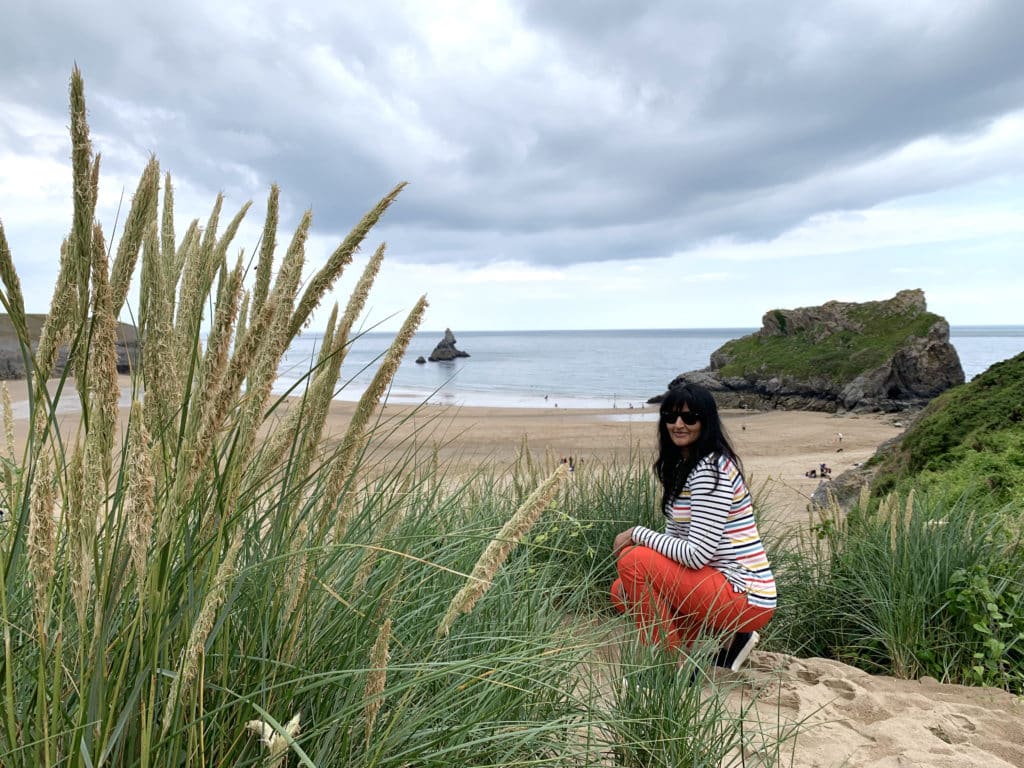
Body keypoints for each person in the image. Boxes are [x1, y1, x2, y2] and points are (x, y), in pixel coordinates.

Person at [611, 382, 777, 672]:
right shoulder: (685, 469)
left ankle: (668, 667)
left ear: (706, 421)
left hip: (745, 594)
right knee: (621, 590)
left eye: (690, 418)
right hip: (721, 586)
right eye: (670, 417)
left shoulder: (710, 470)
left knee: (634, 561)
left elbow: (696, 555)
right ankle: (733, 639)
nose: (678, 424)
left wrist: (638, 534)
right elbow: (677, 547)